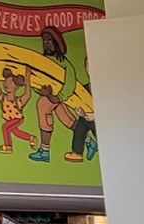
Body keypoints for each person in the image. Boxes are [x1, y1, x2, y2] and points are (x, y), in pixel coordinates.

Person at [31, 28, 95, 163]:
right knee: (66, 119)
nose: (46, 44)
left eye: (50, 41)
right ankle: (89, 141)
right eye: (44, 41)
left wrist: (59, 97)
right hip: (52, 95)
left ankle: (45, 150)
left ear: (57, 43)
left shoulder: (64, 64)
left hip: (60, 96)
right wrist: (40, 90)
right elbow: (38, 79)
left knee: (42, 105)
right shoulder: (43, 61)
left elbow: (70, 82)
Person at [0, 67, 35, 153]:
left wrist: (27, 78)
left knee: (4, 127)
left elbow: (28, 94)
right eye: (6, 81)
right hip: (8, 120)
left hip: (17, 119)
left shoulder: (19, 101)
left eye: (11, 82)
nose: (7, 84)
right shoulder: (3, 98)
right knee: (15, 132)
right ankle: (31, 137)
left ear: (16, 87)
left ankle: (8, 146)